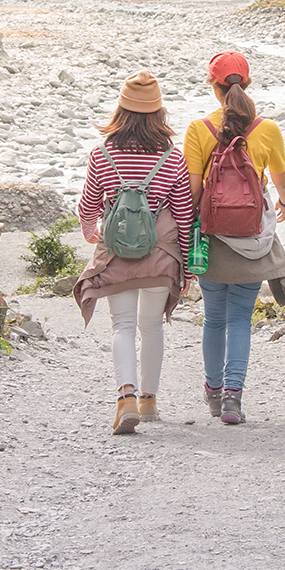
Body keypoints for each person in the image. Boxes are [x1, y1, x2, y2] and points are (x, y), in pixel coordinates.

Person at [73, 70, 193, 435]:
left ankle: (125, 398)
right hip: (160, 255)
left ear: (120, 110)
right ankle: (149, 401)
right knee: (151, 326)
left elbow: (88, 205)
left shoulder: (102, 154)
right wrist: (187, 266)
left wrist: (90, 231)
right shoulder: (173, 158)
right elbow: (184, 215)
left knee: (122, 326)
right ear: (158, 113)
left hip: (117, 255)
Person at [183, 50, 285, 425]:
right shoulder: (267, 128)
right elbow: (280, 179)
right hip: (252, 239)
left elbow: (193, 191)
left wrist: (193, 229)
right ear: (246, 84)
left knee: (214, 317)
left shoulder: (199, 129)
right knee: (241, 318)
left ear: (213, 87)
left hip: (213, 238)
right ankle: (233, 398)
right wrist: (284, 202)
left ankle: (213, 392)